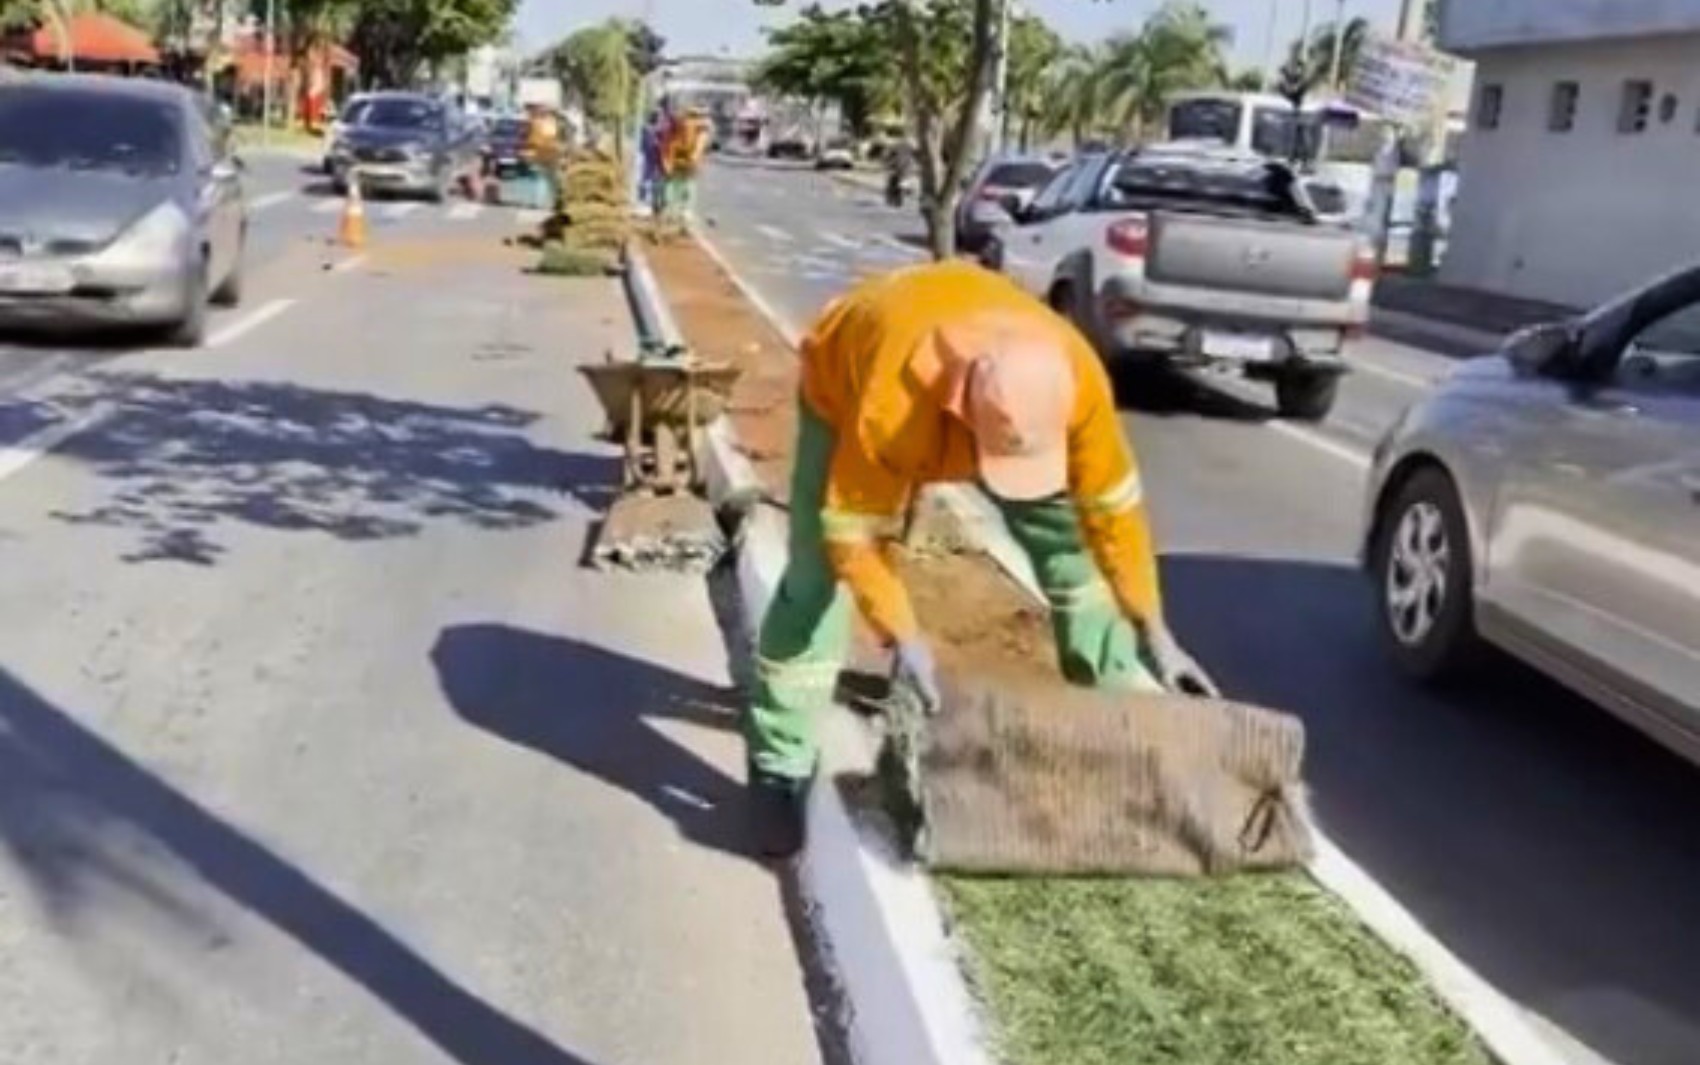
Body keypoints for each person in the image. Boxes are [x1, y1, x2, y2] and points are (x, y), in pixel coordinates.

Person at [746, 260, 1215, 858]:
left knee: (1074, 560)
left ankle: (1129, 723)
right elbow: (853, 537)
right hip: (841, 382)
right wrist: (904, 638)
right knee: (815, 579)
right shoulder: (890, 404)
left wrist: (1156, 628)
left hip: (998, 400)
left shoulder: (1075, 378)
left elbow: (1114, 509)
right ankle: (778, 764)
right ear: (961, 411)